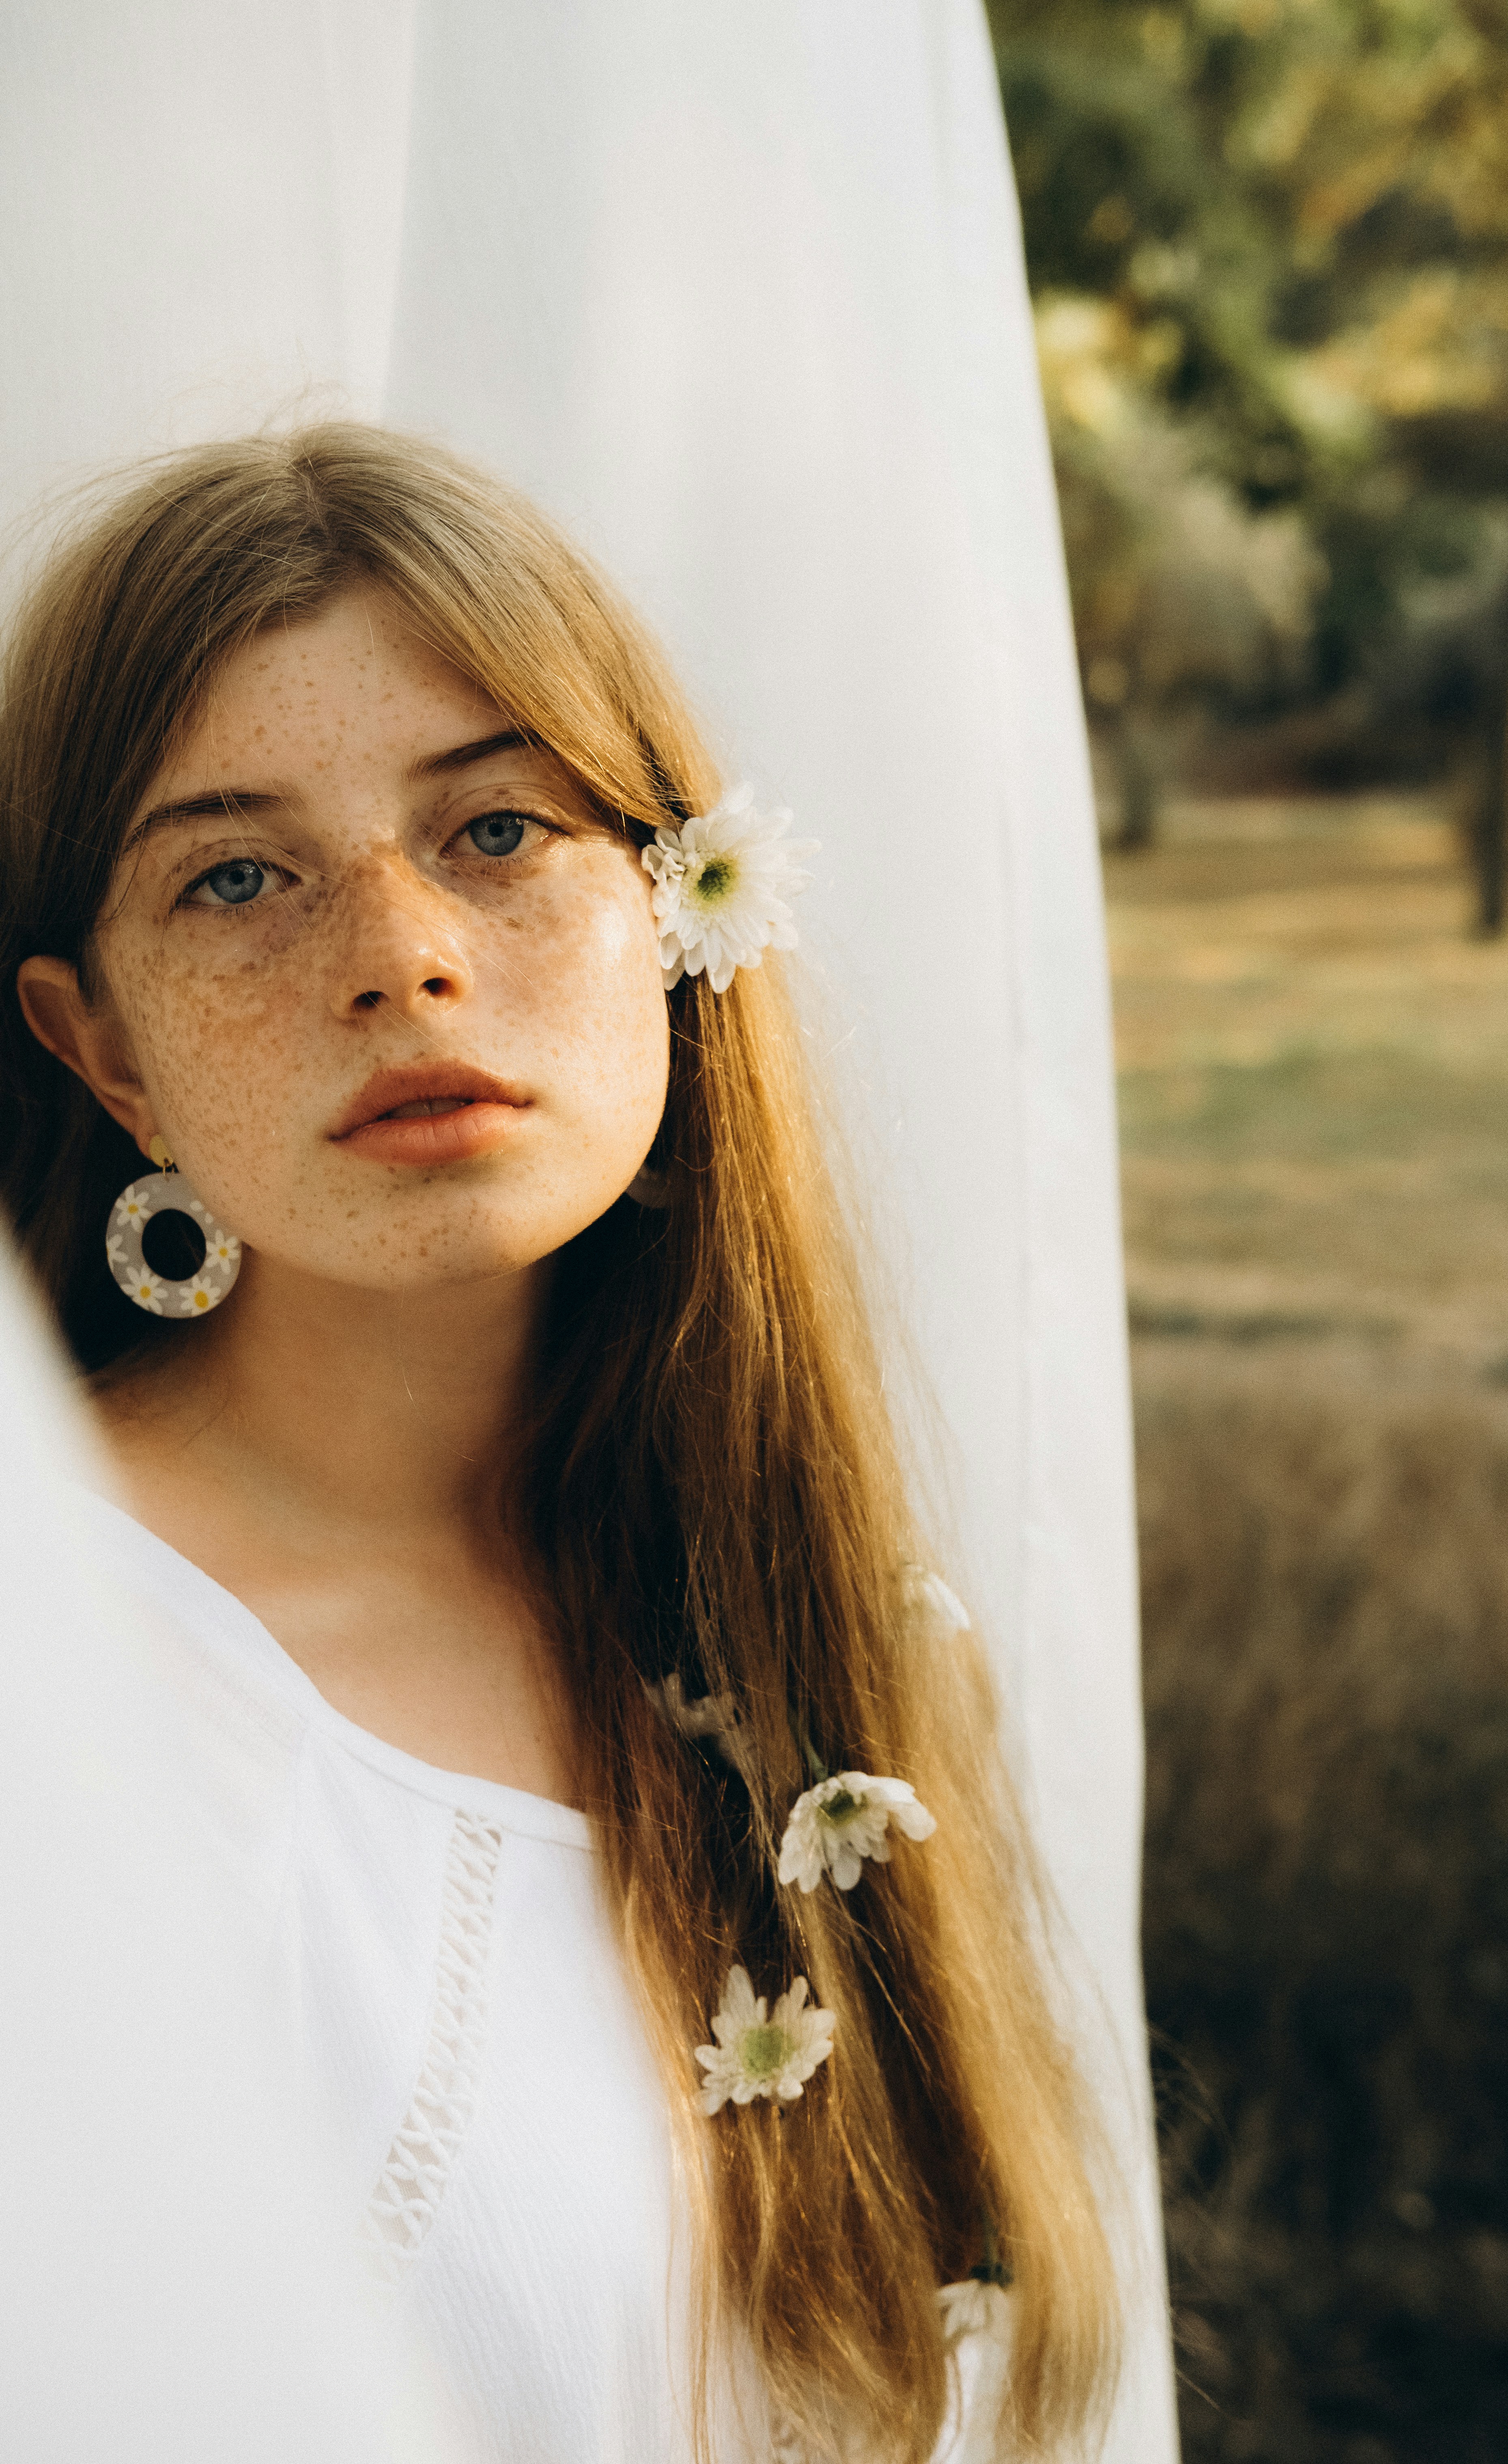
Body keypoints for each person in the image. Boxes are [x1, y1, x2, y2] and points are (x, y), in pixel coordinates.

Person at [0, 424, 1119, 2462]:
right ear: (106, 1051)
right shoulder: (61, 1678)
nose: (401, 950)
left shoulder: (791, 1615)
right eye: (236, 873)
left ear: (678, 909)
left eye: (499, 831)